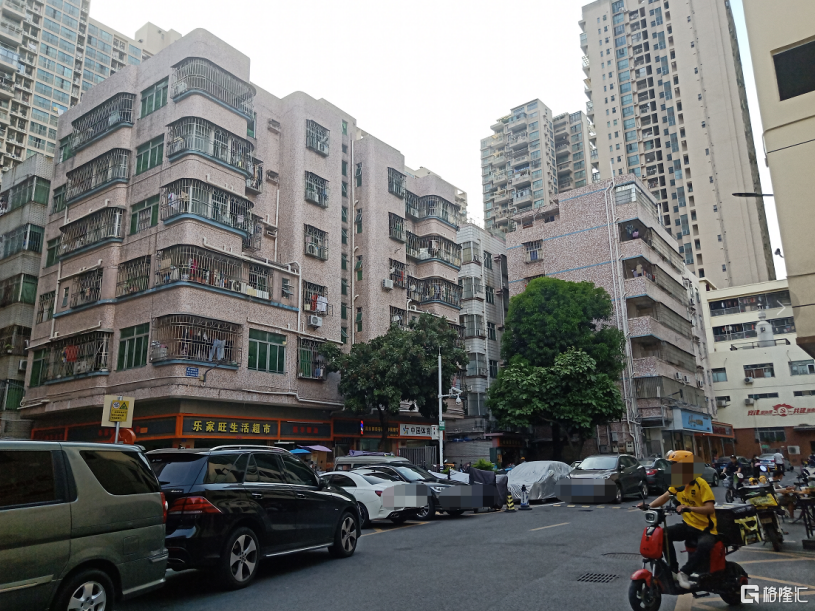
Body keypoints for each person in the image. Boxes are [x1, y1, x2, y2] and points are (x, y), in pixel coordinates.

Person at [640, 450, 717, 590]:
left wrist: (689, 508)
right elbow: (665, 496)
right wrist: (649, 506)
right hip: (688, 525)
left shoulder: (700, 484)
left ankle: (685, 573)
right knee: (663, 534)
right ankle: (673, 570)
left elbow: (710, 508)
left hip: (705, 528)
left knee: (705, 545)